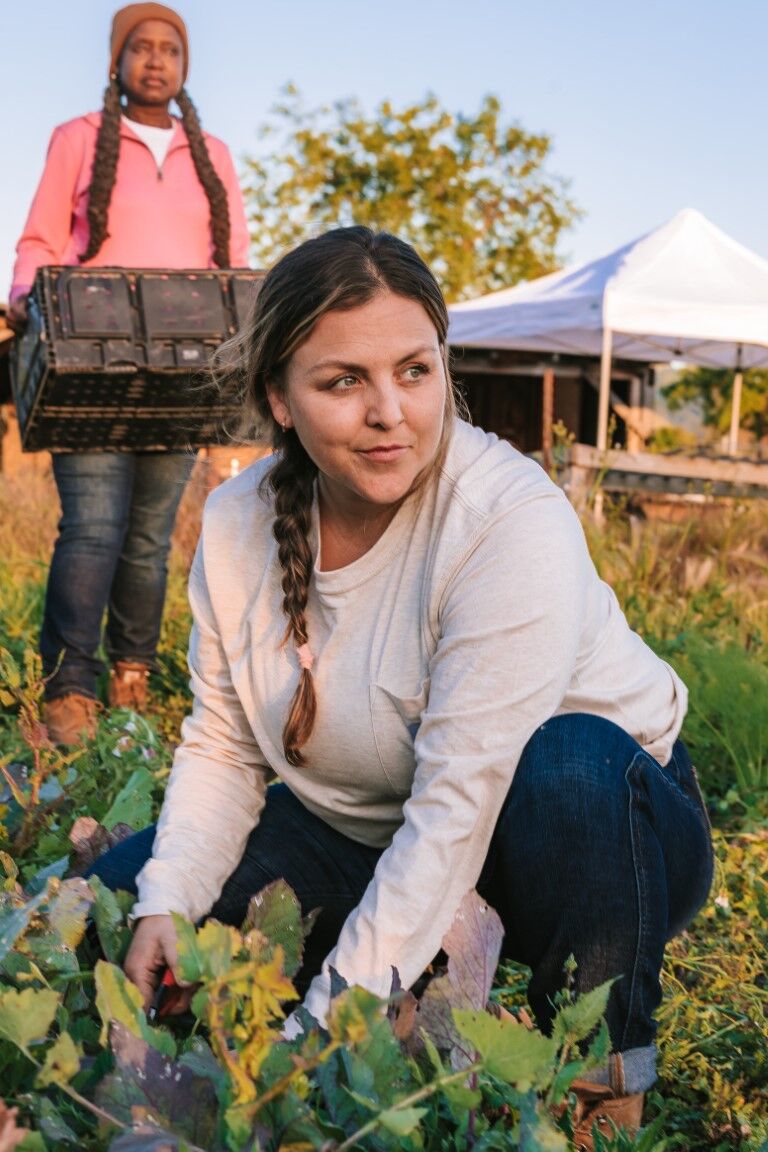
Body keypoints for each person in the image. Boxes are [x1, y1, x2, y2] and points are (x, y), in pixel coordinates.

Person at [88, 227, 713, 1148]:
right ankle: (402, 971)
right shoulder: (234, 525)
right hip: (358, 822)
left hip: (592, 840)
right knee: (106, 921)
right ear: (280, 399)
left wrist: (316, 1040)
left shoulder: (507, 518)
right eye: (343, 381)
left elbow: (459, 806)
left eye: (415, 371)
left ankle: (603, 1096)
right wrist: (166, 902)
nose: (392, 412)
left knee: (570, 758)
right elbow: (222, 747)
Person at [7, 3, 250, 745]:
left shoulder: (214, 154)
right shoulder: (78, 139)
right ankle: (68, 689)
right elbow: (41, 238)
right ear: (117, 61)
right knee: (91, 530)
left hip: (182, 370)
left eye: (169, 49)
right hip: (91, 360)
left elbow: (234, 261)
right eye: (140, 48)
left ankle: (132, 678)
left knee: (148, 540)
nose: (154, 60)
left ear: (184, 66)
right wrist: (25, 299)